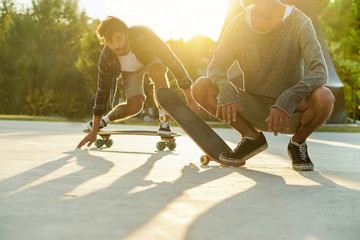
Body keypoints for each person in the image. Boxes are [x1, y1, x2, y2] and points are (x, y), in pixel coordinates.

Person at [191, 0, 334, 171]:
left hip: (290, 110)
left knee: (324, 97)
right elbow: (216, 66)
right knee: (201, 87)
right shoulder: (239, 24)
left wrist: (288, 98)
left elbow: (319, 72)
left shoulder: (299, 21)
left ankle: (298, 142)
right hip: (253, 106)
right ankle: (251, 137)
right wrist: (225, 86)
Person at [78, 16, 197, 148]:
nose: (116, 46)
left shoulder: (145, 35)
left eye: (119, 39)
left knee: (158, 72)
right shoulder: (106, 58)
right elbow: (102, 92)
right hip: (130, 71)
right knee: (135, 106)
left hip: (150, 60)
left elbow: (172, 62)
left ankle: (164, 123)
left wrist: (190, 99)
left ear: (126, 33)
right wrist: (94, 130)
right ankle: (105, 121)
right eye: (110, 42)